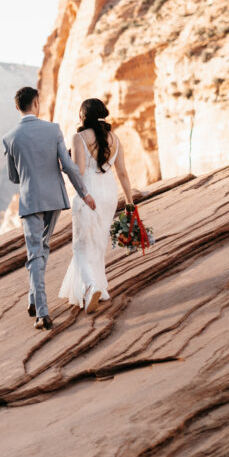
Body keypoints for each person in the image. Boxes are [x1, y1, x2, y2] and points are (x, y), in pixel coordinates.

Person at [2, 87, 94, 330]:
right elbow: (69, 167)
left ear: (17, 107)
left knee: (35, 252)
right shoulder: (53, 129)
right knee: (41, 248)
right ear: (36, 103)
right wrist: (84, 193)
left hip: (30, 200)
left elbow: (13, 177)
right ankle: (38, 306)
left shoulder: (10, 138)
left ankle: (40, 309)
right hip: (53, 198)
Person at [58, 98, 136, 314]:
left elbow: (80, 170)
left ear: (84, 116)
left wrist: (66, 161)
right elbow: (122, 172)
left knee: (81, 244)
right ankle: (100, 287)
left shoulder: (79, 137)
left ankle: (91, 287)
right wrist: (130, 201)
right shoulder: (115, 139)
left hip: (89, 193)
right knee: (98, 243)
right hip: (109, 193)